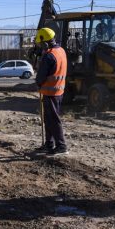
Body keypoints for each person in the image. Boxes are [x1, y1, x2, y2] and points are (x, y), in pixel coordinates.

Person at [34, 27, 68, 155]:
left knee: (53, 119)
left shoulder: (49, 56)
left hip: (50, 92)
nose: (41, 46)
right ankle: (49, 144)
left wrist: (38, 83)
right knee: (49, 119)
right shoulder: (61, 51)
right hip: (58, 91)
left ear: (45, 42)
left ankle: (61, 145)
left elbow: (41, 77)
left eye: (41, 44)